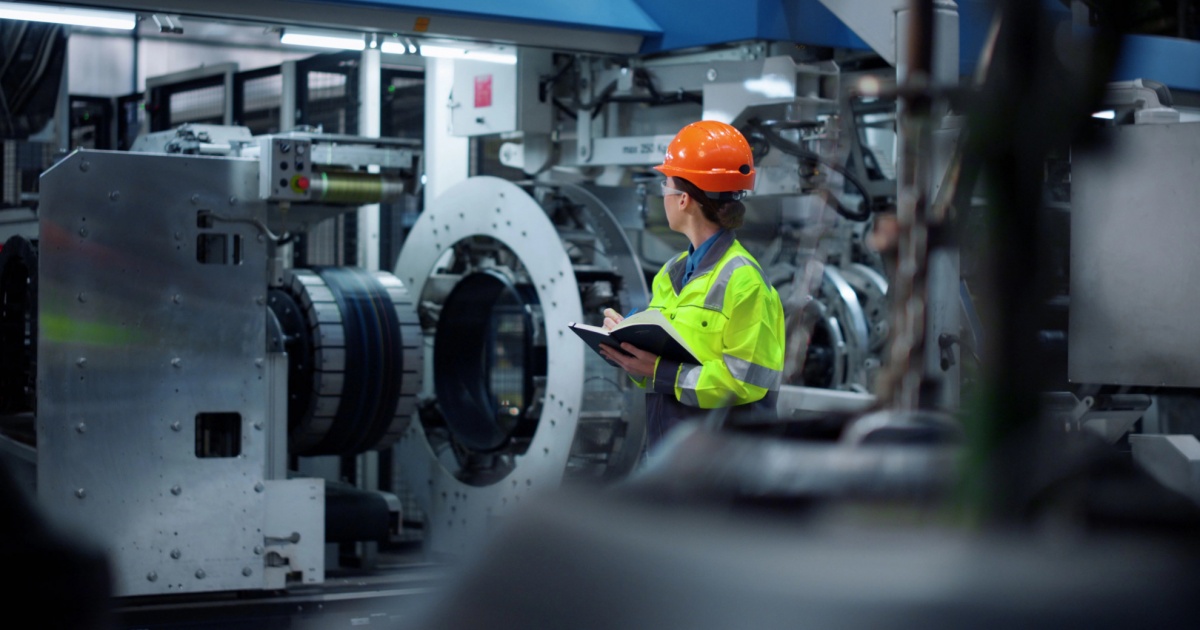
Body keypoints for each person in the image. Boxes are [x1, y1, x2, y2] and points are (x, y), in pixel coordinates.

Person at [600, 120, 786, 447]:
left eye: (665, 184)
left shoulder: (745, 282)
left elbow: (746, 382)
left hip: (722, 463)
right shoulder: (671, 273)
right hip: (670, 452)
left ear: (684, 199)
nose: (663, 195)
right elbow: (661, 364)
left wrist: (661, 371)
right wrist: (625, 348)